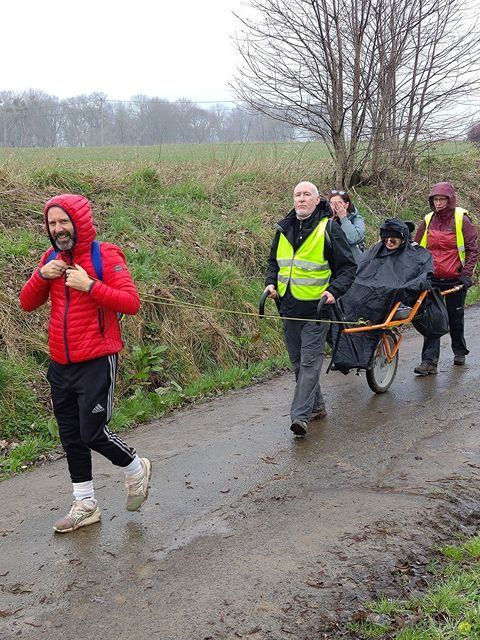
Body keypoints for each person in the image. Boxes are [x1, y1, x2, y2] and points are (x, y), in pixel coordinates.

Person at [20, 194, 152, 533]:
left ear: (79, 222)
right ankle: (85, 503)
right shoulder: (50, 258)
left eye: (64, 221)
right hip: (61, 363)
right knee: (70, 436)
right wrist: (42, 276)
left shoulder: (105, 254)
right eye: (52, 223)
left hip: (96, 359)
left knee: (92, 432)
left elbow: (131, 302)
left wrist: (90, 285)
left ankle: (136, 468)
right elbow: (27, 303)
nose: (58, 229)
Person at [264, 181, 357, 437]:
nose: (301, 199)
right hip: (289, 308)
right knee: (297, 363)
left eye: (307, 195)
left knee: (308, 365)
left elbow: (349, 268)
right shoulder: (283, 229)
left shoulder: (329, 228)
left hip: (318, 311)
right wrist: (270, 284)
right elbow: (274, 263)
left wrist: (333, 291)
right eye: (297, 195)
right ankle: (316, 407)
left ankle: (300, 417)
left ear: (317, 200)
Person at [331, 218, 433, 373]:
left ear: (403, 238)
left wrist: (403, 289)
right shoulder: (376, 250)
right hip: (367, 293)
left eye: (393, 239)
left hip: (390, 296)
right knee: (343, 305)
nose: (389, 242)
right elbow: (359, 269)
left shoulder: (416, 255)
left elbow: (423, 277)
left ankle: (358, 356)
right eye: (386, 239)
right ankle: (345, 357)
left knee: (369, 318)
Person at [413, 182, 478, 375]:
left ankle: (459, 351)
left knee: (455, 317)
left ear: (450, 200)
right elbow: (416, 248)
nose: (439, 203)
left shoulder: (461, 220)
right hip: (432, 279)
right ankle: (429, 362)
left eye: (442, 199)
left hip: (455, 279)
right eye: (435, 199)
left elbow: (472, 250)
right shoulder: (428, 220)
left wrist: (466, 274)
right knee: (432, 320)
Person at [328, 190, 366, 261]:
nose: (335, 207)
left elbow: (353, 239)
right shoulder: (325, 219)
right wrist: (330, 220)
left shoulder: (356, 219)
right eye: (332, 203)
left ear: (346, 205)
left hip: (351, 260)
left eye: (339, 203)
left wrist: (343, 218)